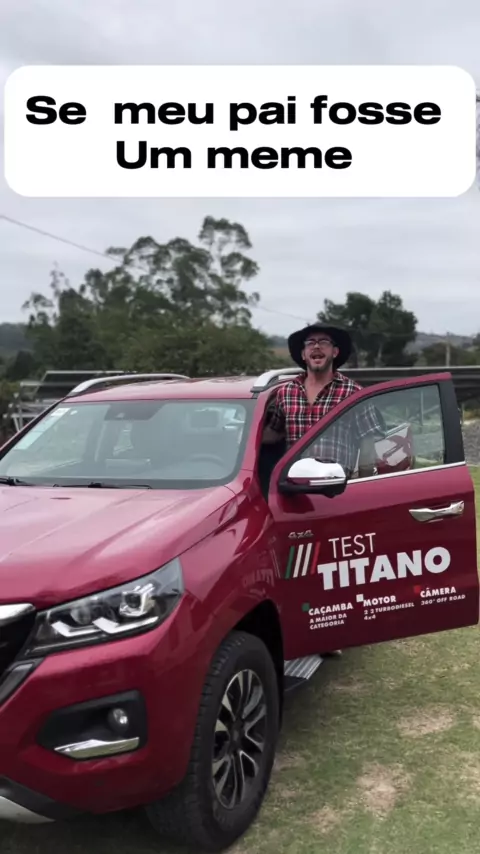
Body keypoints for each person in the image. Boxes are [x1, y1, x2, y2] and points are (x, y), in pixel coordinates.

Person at [262, 322, 382, 479]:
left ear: (335, 352)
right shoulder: (286, 392)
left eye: (324, 342)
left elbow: (368, 446)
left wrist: (363, 485)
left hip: (335, 487)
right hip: (293, 486)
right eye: (310, 343)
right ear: (303, 354)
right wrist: (239, 437)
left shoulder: (354, 393)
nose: (316, 346)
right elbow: (274, 432)